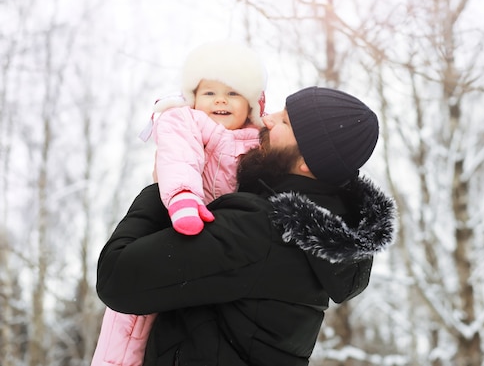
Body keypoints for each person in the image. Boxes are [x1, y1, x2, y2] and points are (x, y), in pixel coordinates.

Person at [96, 86, 396, 366]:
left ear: (307, 162)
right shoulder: (312, 238)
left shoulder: (260, 230)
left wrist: (161, 188)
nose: (266, 119)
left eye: (285, 122)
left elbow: (116, 277)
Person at [91, 41, 267, 366]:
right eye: (209, 93)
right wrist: (184, 198)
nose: (220, 101)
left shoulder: (261, 143)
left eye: (233, 93)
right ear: (193, 98)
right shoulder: (185, 122)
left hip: (221, 245)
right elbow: (178, 159)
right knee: (131, 321)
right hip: (180, 219)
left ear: (253, 104)